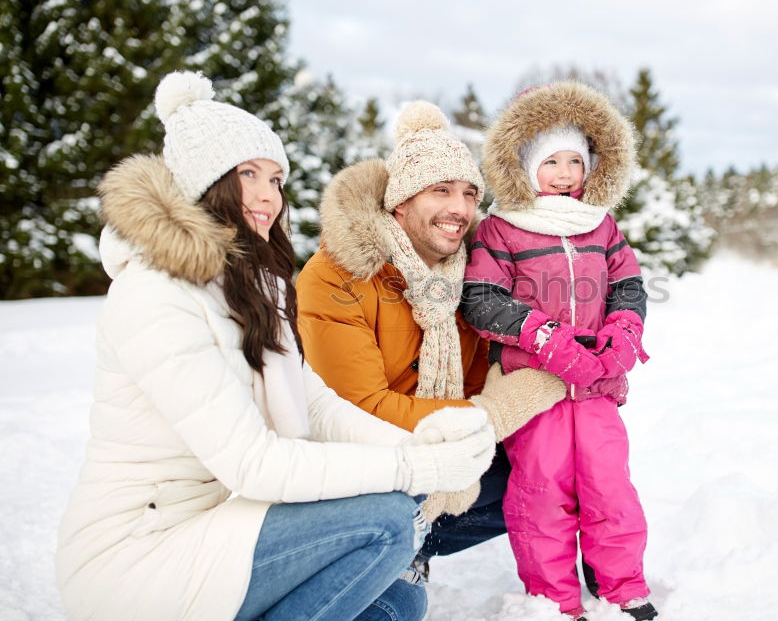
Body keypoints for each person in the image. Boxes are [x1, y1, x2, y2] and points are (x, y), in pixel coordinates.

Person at [55, 71, 498, 621]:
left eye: (276, 179)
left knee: (400, 602)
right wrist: (414, 472)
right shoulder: (154, 297)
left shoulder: (249, 289)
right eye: (248, 175)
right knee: (384, 521)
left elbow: (315, 406)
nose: (268, 196)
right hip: (138, 553)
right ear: (204, 180)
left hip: (218, 525)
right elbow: (253, 464)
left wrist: (423, 444)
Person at [295, 100, 566, 578]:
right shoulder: (337, 275)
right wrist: (489, 416)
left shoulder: (472, 276)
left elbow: (488, 372)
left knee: (551, 465)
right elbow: (358, 408)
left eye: (468, 193)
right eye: (440, 190)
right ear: (400, 201)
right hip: (362, 456)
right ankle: (382, 541)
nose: (459, 209)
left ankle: (413, 541)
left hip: (441, 436)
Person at [461, 81, 658, 621]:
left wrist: (624, 334)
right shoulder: (503, 228)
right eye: (552, 161)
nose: (567, 174)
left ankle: (623, 587)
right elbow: (481, 299)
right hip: (536, 388)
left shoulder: (601, 225)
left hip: (596, 384)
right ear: (525, 166)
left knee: (609, 486)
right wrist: (544, 337)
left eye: (576, 160)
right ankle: (553, 600)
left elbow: (628, 286)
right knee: (542, 493)